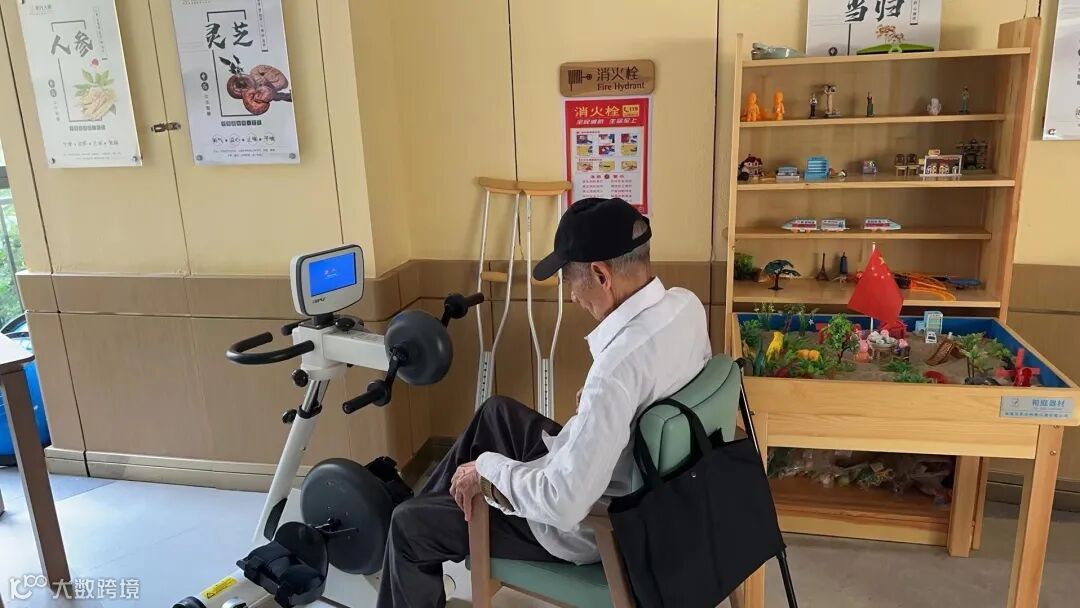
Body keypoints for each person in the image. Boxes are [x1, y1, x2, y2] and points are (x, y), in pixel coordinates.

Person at [377, 197, 711, 607]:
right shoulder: (685, 305)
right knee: (496, 412)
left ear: (601, 275)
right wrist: (607, 406)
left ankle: (414, 532)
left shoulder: (616, 371)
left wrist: (487, 470)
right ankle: (433, 509)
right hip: (640, 485)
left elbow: (564, 503)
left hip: (587, 526)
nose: (572, 296)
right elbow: (656, 381)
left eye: (571, 280)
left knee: (407, 527)